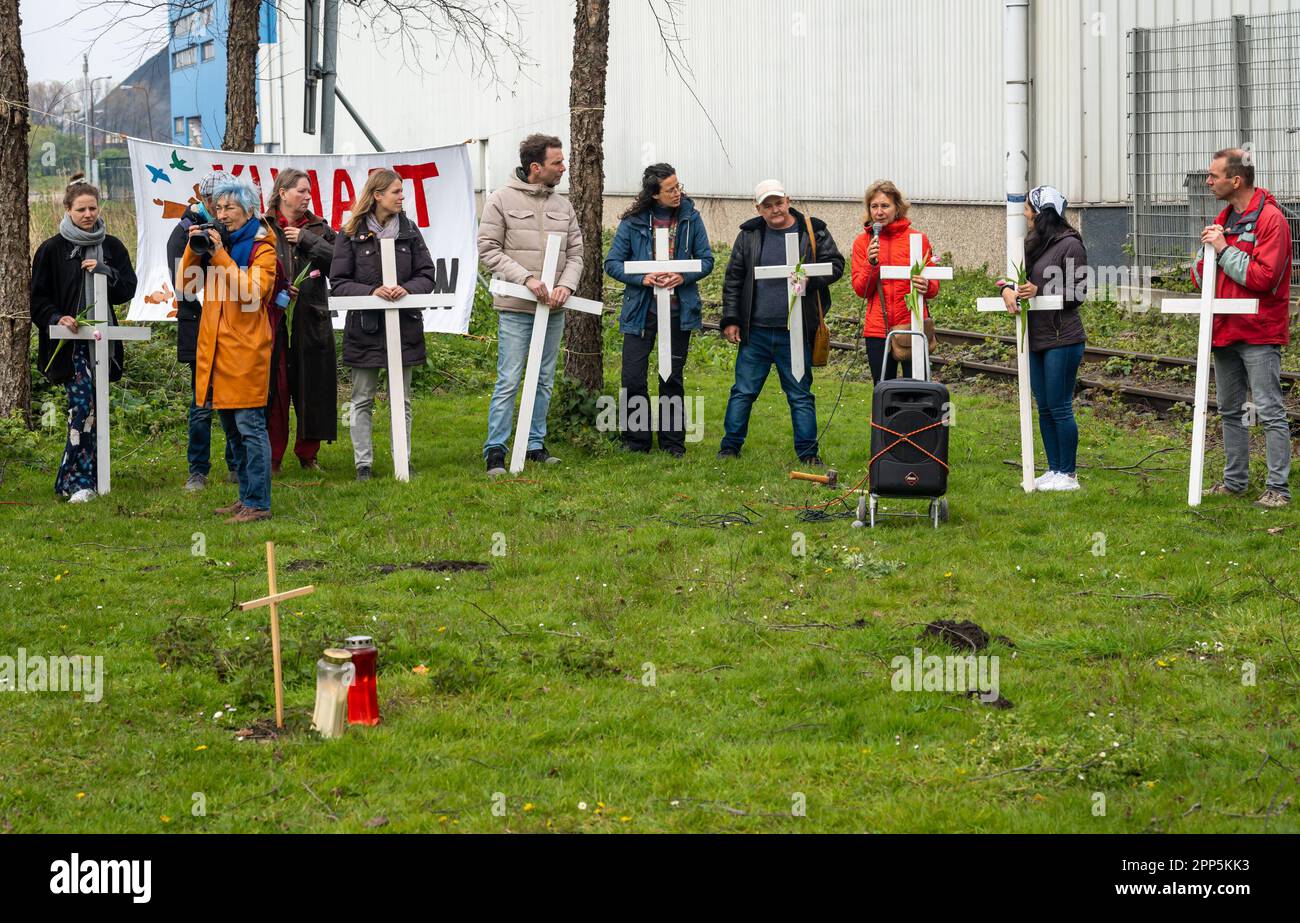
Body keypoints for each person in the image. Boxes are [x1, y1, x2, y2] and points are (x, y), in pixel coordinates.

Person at [478, 133, 584, 476]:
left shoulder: (563, 206)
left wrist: (565, 286)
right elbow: (489, 249)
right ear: (536, 167)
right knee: (509, 379)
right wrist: (527, 279)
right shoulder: (500, 200)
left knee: (543, 379)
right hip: (516, 307)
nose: (563, 167)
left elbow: (576, 254)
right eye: (557, 162)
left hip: (553, 309)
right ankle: (496, 449)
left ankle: (535, 444)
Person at [717, 179, 843, 464]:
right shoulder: (748, 236)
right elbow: (734, 279)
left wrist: (809, 279)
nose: (774, 209)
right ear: (758, 208)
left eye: (778, 202)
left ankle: (808, 454)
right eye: (767, 205)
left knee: (800, 394)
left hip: (796, 331)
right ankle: (729, 448)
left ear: (788, 200)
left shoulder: (813, 230)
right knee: (743, 392)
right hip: (756, 330)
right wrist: (731, 319)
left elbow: (836, 265)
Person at [30, 173, 137, 502]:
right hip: (69, 344)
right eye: (81, 210)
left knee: (99, 410)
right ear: (67, 210)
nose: (88, 215)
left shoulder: (112, 246)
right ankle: (76, 482)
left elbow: (127, 289)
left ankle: (86, 478)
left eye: (92, 208)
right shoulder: (51, 250)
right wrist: (57, 317)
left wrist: (107, 271)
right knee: (82, 407)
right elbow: (37, 298)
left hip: (103, 341)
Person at [1196, 148, 1293, 509]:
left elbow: (1264, 278)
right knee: (1229, 410)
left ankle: (1278, 489)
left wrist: (1222, 250)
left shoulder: (1272, 221)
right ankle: (1235, 482)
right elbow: (1201, 277)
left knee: (1269, 410)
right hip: (1224, 330)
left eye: (1213, 175)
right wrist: (1204, 257)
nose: (1207, 181)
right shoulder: (1224, 219)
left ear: (1235, 180)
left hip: (1259, 332)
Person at [178, 178, 278, 523]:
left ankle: (259, 503)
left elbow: (252, 293)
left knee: (250, 428)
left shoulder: (261, 246)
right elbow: (187, 287)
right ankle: (246, 497)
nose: (223, 215)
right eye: (218, 208)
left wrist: (219, 255)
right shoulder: (216, 246)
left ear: (249, 209)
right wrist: (195, 248)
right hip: (216, 352)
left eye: (230, 208)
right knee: (233, 432)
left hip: (246, 351)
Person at [328, 169, 437, 481]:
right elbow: (339, 282)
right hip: (365, 329)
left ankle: (402, 459)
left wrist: (408, 289)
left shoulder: (410, 231)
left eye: (402, 192)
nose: (402, 197)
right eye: (396, 192)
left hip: (404, 327)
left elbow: (427, 275)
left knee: (400, 399)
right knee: (361, 397)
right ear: (377, 195)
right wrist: (371, 293)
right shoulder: (350, 232)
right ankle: (363, 464)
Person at [604, 163, 714, 456]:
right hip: (641, 312)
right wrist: (642, 278)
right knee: (633, 377)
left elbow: (706, 259)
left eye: (678, 186)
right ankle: (637, 442)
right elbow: (612, 263)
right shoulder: (634, 222)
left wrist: (683, 276)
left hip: (678, 312)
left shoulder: (691, 219)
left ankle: (672, 443)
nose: (677, 193)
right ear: (654, 194)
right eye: (670, 189)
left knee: (671, 377)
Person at [995, 185, 1089, 491]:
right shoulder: (1032, 243)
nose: (1024, 213)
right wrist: (1006, 289)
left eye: (1028, 208)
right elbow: (1007, 276)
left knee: (1060, 405)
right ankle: (1054, 469)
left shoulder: (1071, 245)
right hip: (1035, 338)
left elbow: (1078, 293)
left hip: (1063, 338)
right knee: (1044, 405)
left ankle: (1069, 474)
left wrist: (1041, 291)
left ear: (1041, 212)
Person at [266, 168, 338, 473]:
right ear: (283, 193)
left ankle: (308, 455)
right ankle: (272, 458)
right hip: (274, 322)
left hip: (312, 320)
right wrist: (276, 288)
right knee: (276, 391)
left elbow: (340, 263)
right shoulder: (263, 227)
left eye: (309, 192)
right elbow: (248, 268)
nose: (307, 197)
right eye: (301, 191)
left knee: (313, 388)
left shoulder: (319, 228)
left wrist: (308, 239)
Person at [168, 170, 236, 490]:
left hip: (231, 326)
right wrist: (199, 248)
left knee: (233, 400)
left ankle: (236, 466)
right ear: (205, 200)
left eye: (227, 201)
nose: (221, 207)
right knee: (201, 403)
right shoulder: (183, 232)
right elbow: (184, 288)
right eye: (216, 201)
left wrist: (223, 247)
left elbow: (241, 282)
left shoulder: (238, 230)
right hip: (198, 328)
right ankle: (198, 471)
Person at [850, 180, 944, 384]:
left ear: (897, 208)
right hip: (877, 329)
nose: (879, 212)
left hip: (912, 326)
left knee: (916, 391)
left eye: (885, 206)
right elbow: (861, 289)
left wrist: (927, 286)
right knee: (883, 392)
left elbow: (933, 286)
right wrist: (871, 263)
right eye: (874, 206)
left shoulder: (917, 239)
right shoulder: (862, 242)